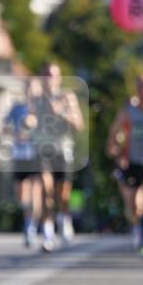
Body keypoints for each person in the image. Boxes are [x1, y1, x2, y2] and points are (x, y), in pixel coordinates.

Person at [29, 63, 84, 252]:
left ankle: (64, 218)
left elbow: (78, 125)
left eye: (52, 75)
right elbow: (28, 119)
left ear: (59, 78)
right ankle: (47, 234)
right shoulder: (36, 99)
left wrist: (60, 113)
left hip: (63, 150)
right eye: (45, 75)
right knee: (46, 190)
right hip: (42, 150)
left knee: (63, 195)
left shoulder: (67, 97)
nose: (49, 79)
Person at [106, 73, 143, 259]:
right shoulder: (128, 111)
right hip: (132, 162)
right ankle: (137, 228)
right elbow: (115, 131)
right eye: (140, 87)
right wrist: (114, 149)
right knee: (134, 206)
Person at [3, 79, 41, 247]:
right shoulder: (17, 108)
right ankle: (28, 218)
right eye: (28, 90)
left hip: (37, 154)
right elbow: (5, 127)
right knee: (21, 194)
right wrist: (14, 132)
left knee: (37, 191)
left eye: (33, 90)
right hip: (20, 154)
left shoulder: (43, 108)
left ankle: (31, 226)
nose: (30, 93)